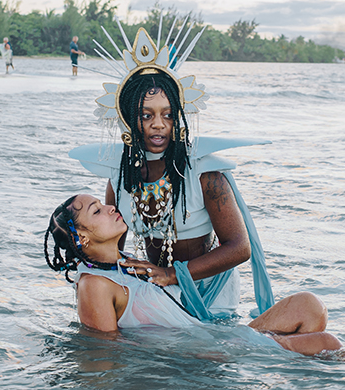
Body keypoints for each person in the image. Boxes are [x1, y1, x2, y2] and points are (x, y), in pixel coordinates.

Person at [69, 27, 274, 322]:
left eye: (167, 114)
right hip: (156, 286)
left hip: (209, 287)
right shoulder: (119, 175)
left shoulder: (204, 174)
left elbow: (239, 248)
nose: (158, 124)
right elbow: (115, 244)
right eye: (146, 115)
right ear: (129, 119)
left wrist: (170, 274)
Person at [44, 195, 340, 355]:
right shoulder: (94, 284)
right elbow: (105, 355)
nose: (110, 208)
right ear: (81, 238)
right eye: (97, 211)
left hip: (210, 335)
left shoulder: (125, 264)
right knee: (327, 344)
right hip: (200, 353)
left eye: (104, 203)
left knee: (309, 306)